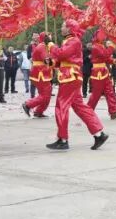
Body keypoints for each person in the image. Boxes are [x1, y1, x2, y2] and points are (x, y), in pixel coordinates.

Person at [46, 19, 108, 151]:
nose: (61, 28)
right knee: (80, 107)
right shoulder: (69, 41)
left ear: (69, 28)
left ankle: (63, 139)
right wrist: (51, 61)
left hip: (69, 77)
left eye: (63, 26)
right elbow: (61, 60)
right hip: (71, 77)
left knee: (61, 107)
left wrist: (50, 44)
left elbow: (62, 54)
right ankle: (99, 134)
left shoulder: (74, 41)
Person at [87, 30, 116, 119]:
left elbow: (105, 58)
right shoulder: (95, 47)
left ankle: (113, 111)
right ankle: (88, 111)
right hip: (98, 73)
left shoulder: (100, 45)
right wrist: (111, 47)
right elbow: (105, 55)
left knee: (110, 91)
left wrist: (113, 61)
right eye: (102, 35)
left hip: (104, 71)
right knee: (96, 94)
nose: (104, 37)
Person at [24, 33, 54, 118]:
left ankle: (38, 111)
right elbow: (47, 60)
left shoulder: (44, 46)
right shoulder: (42, 47)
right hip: (40, 73)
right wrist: (57, 63)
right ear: (45, 38)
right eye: (49, 36)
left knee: (46, 94)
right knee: (45, 95)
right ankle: (28, 105)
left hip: (42, 73)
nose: (51, 38)